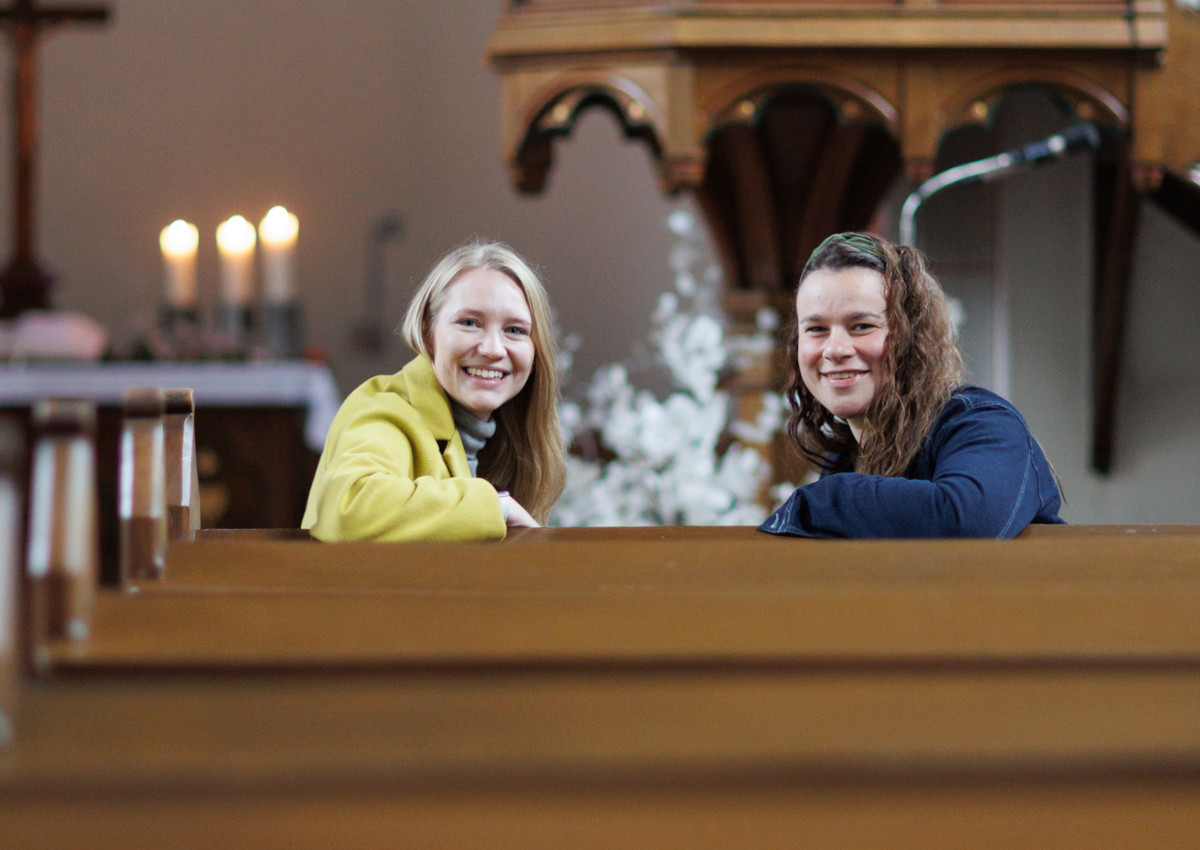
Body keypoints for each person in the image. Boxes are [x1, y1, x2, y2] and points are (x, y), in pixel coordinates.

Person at [760, 231, 1063, 539]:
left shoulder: (983, 423)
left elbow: (966, 520)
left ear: (911, 336)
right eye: (816, 329)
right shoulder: (845, 460)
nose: (835, 349)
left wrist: (816, 500)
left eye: (862, 326)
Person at [303, 241, 565, 541]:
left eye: (515, 330)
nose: (493, 349)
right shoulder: (384, 411)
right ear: (428, 334)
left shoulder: (508, 439)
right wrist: (496, 506)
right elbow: (348, 508)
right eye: (469, 323)